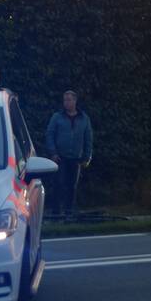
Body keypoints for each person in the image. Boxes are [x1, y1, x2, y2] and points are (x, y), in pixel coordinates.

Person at [45, 90, 93, 218]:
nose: (66, 102)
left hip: (76, 158)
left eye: (69, 100)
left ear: (75, 101)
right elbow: (50, 134)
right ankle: (55, 213)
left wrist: (87, 156)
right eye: (65, 100)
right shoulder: (57, 117)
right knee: (58, 184)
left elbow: (88, 138)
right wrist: (53, 152)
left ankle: (69, 213)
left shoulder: (84, 118)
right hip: (60, 157)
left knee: (72, 186)